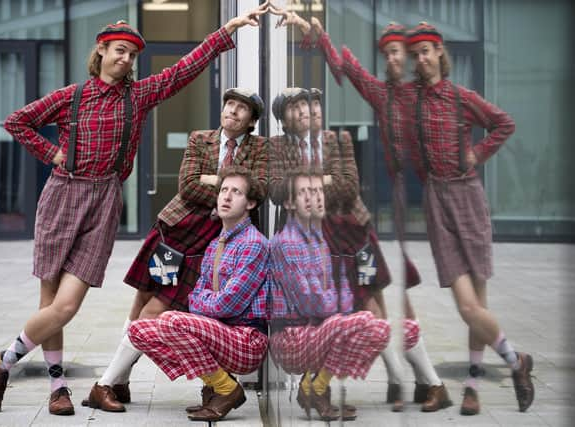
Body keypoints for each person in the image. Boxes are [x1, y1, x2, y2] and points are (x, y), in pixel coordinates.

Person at [0, 4, 269, 416]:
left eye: (132, 54)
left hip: (104, 200)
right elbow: (17, 122)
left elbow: (181, 72)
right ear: (101, 51)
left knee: (66, 305)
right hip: (63, 195)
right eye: (119, 50)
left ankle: (3, 361)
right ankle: (58, 388)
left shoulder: (139, 96)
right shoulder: (71, 97)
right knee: (49, 302)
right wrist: (53, 153)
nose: (126, 59)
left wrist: (226, 31)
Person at [272, 7, 450, 412]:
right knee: (348, 309)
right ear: (287, 116)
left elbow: (348, 184)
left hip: (353, 229)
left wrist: (311, 186)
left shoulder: (338, 142)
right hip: (319, 239)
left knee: (385, 301)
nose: (310, 111)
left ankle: (424, 381)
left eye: (314, 105)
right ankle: (375, 382)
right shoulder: (280, 149)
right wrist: (319, 183)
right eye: (300, 107)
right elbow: (277, 188)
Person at [83, 86, 268, 412]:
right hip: (173, 233)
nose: (233, 111)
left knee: (156, 311)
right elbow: (188, 184)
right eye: (230, 104)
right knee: (140, 301)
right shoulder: (201, 138)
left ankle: (107, 383)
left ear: (252, 119)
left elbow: (259, 187)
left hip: (204, 244)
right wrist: (229, 181)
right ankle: (119, 380)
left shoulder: (260, 148)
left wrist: (212, 179)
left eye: (242, 108)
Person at [405, 21, 533, 415]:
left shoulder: (463, 98)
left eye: (427, 50)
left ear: (440, 52)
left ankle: (473, 386)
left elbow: (504, 123)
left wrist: (477, 154)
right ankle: (516, 361)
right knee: (467, 307)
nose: (421, 58)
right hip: (438, 202)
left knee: (478, 303)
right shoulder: (414, 99)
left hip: (469, 198)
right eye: (416, 53)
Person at [128, 166, 269, 423]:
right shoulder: (215, 244)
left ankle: (227, 390)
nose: (226, 197)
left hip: (246, 340)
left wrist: (203, 303)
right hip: (217, 334)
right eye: (223, 190)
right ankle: (217, 382)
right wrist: (204, 303)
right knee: (139, 330)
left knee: (172, 320)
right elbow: (195, 298)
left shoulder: (254, 244)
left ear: (250, 203)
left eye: (236, 192)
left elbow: (228, 303)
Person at [269, 168, 391, 421]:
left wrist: (336, 305)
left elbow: (341, 291)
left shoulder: (320, 240)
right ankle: (315, 387)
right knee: (363, 321)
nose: (315, 198)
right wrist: (337, 306)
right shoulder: (287, 243)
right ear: (290, 203)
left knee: (378, 329)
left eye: (318, 191)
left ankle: (316, 386)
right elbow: (312, 304)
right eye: (305, 193)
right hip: (291, 338)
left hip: (318, 329)